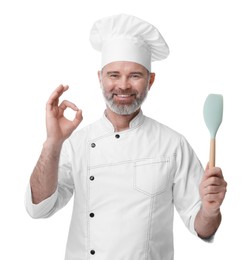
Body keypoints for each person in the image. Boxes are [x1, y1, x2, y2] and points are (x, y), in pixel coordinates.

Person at [25, 14, 227, 260]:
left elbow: (202, 225)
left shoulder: (173, 145)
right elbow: (39, 209)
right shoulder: (76, 144)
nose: (123, 86)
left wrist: (210, 209)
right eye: (113, 75)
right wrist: (52, 143)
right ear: (100, 78)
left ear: (150, 81)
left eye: (135, 75)